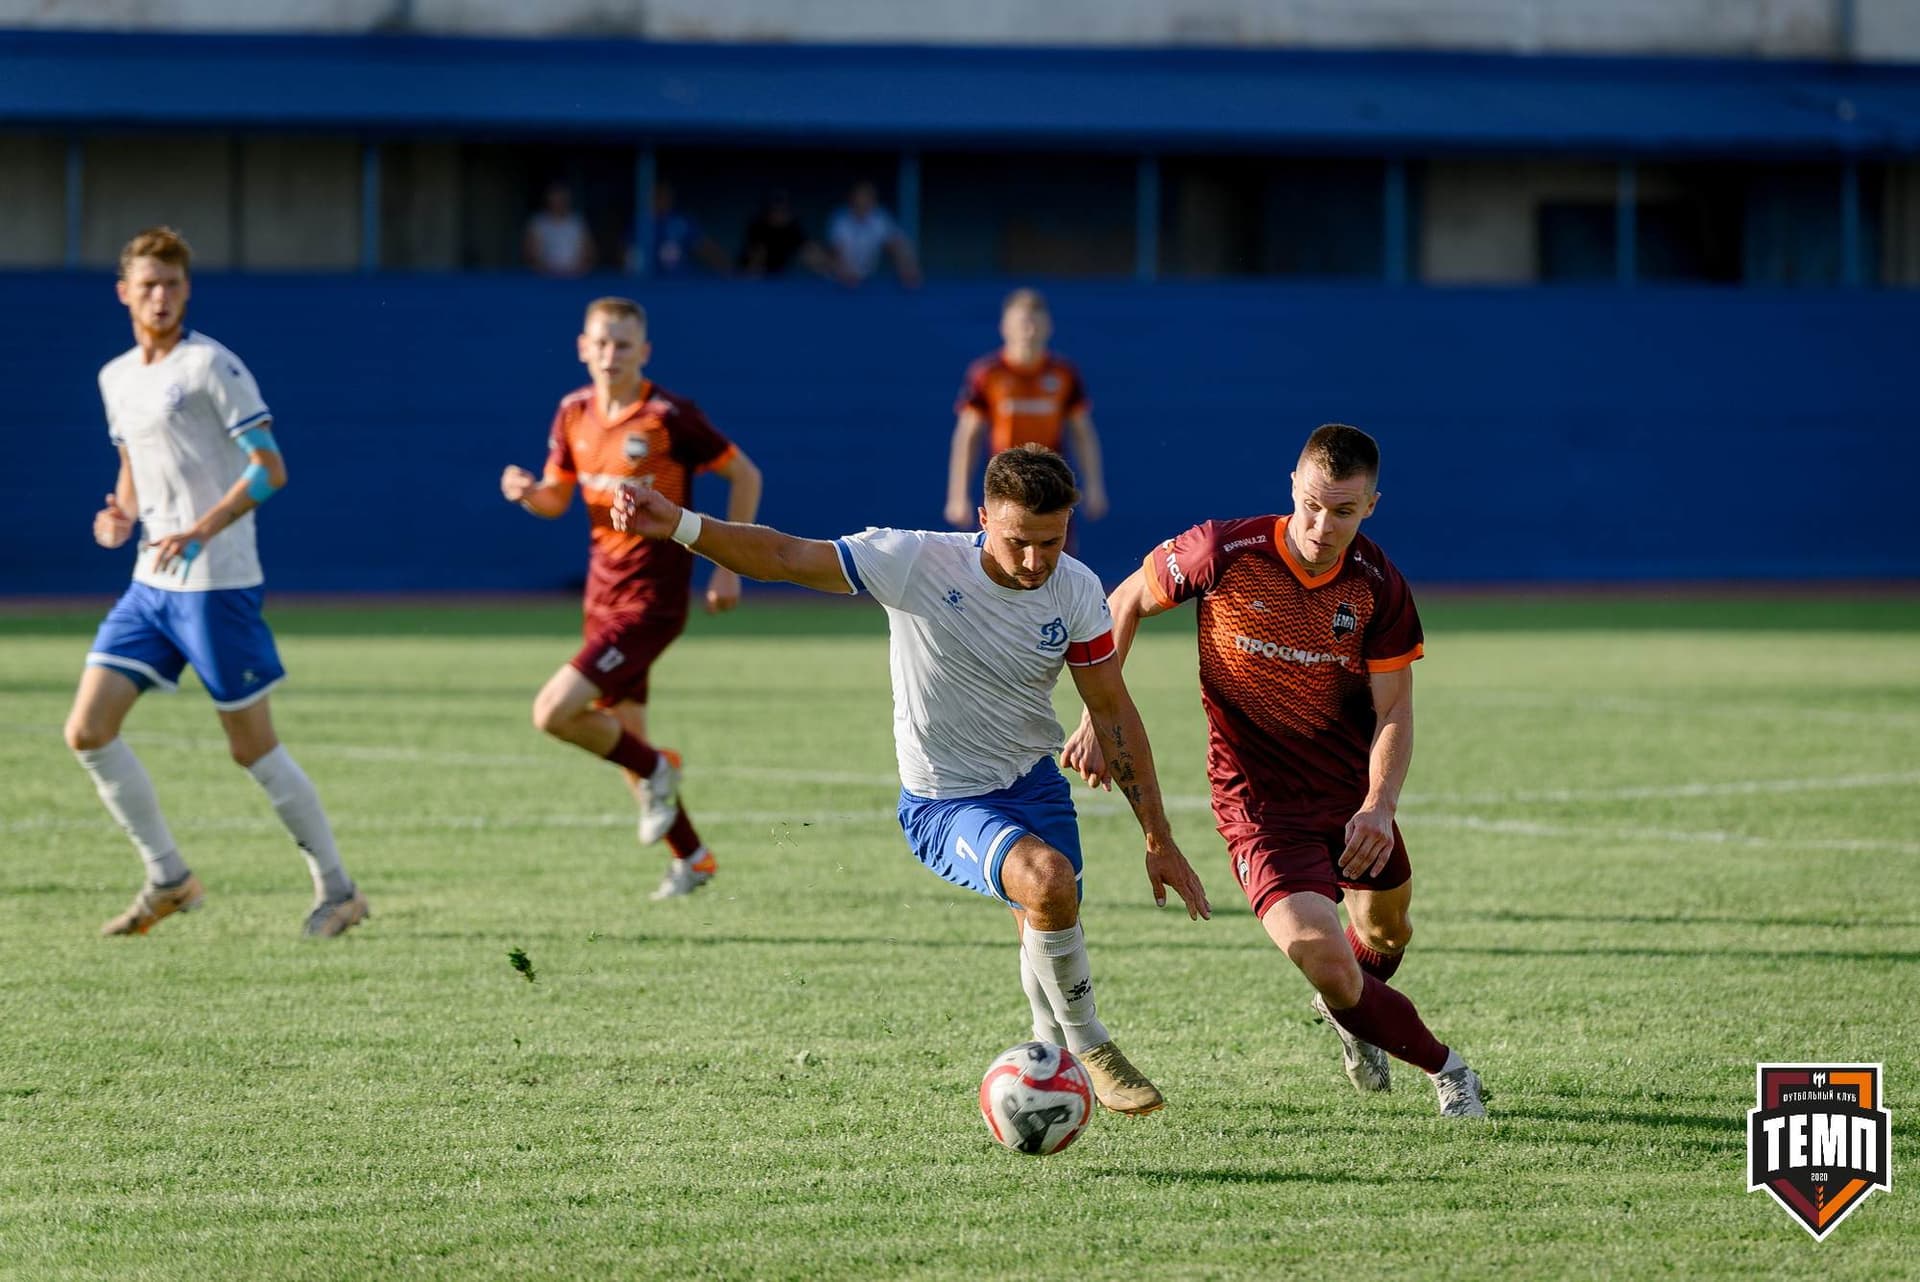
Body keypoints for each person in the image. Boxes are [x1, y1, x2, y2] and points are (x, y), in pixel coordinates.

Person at [613, 444, 1211, 1116]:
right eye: (1017, 542)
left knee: (1045, 914)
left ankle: (1047, 1063)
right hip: (944, 800)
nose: (1034, 561)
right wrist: (682, 526)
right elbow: (784, 556)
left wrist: (1157, 836)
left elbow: (1111, 710)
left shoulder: (1074, 589)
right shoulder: (914, 561)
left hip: (1034, 781)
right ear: (983, 516)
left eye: (1051, 541)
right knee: (1046, 882)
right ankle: (1092, 1046)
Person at [1062, 423, 1488, 1118]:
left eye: (1344, 511)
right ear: (1292, 486)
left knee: (1386, 933)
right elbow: (1128, 598)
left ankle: (1351, 1013)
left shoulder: (1377, 587)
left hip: (1350, 798)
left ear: (1371, 507)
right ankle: (1451, 1071)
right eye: (1314, 504)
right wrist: (1094, 715)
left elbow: (1395, 710)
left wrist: (1379, 803)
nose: (1324, 525)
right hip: (1259, 806)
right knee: (1324, 954)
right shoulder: (1224, 552)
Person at [66, 226, 368, 939]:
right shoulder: (116, 376)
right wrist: (120, 515)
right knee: (87, 730)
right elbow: (135, 472)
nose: (160, 297)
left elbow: (270, 468)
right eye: (148, 285)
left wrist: (203, 527)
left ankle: (339, 889)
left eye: (171, 284)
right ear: (125, 293)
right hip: (150, 582)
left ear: (186, 290)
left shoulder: (211, 366)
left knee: (250, 747)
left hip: (216, 585)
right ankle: (169, 877)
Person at [500, 296, 762, 899]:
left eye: (624, 344)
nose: (611, 354)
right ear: (582, 348)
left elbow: (746, 476)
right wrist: (526, 491)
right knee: (626, 737)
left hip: (652, 602)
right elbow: (556, 499)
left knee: (555, 713)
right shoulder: (572, 413)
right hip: (600, 597)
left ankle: (659, 769)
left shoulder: (668, 416)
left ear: (644, 352)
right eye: (602, 342)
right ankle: (693, 857)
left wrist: (729, 567)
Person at [945, 289, 1109, 530]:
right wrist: (957, 496)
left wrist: (1095, 486)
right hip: (1004, 483)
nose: (1029, 332)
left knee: (1052, 559)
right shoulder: (987, 373)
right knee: (1000, 558)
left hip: (1052, 484)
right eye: (1022, 323)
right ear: (1005, 327)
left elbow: (1082, 432)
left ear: (1048, 327)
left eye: (1036, 324)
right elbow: (968, 435)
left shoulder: (1063, 373)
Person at [825, 180, 921, 288]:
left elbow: (897, 246)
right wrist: (845, 271)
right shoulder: (840, 221)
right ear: (852, 200)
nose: (862, 202)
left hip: (866, 281)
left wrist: (907, 266)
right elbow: (837, 252)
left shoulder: (879, 219)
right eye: (859, 198)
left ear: (873, 201)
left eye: (867, 199)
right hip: (837, 281)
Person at [637, 181, 730, 278]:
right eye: (658, 195)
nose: (663, 200)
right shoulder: (640, 224)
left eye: (666, 195)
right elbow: (627, 259)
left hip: (683, 284)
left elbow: (709, 250)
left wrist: (728, 272)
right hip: (651, 285)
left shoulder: (681, 222)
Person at [737, 189, 833, 280]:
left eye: (784, 209)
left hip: (779, 274)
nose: (782, 213)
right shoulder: (758, 226)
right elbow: (755, 260)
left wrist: (828, 267)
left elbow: (809, 248)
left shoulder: (792, 226)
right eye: (777, 210)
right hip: (751, 272)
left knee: (812, 255)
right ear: (769, 211)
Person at [524, 181, 597, 277]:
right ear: (548, 199)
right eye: (554, 197)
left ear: (567, 199)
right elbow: (530, 252)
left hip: (575, 276)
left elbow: (589, 250)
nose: (557, 201)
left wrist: (580, 268)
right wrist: (545, 268)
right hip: (545, 277)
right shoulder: (539, 222)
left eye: (561, 197)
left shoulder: (577, 222)